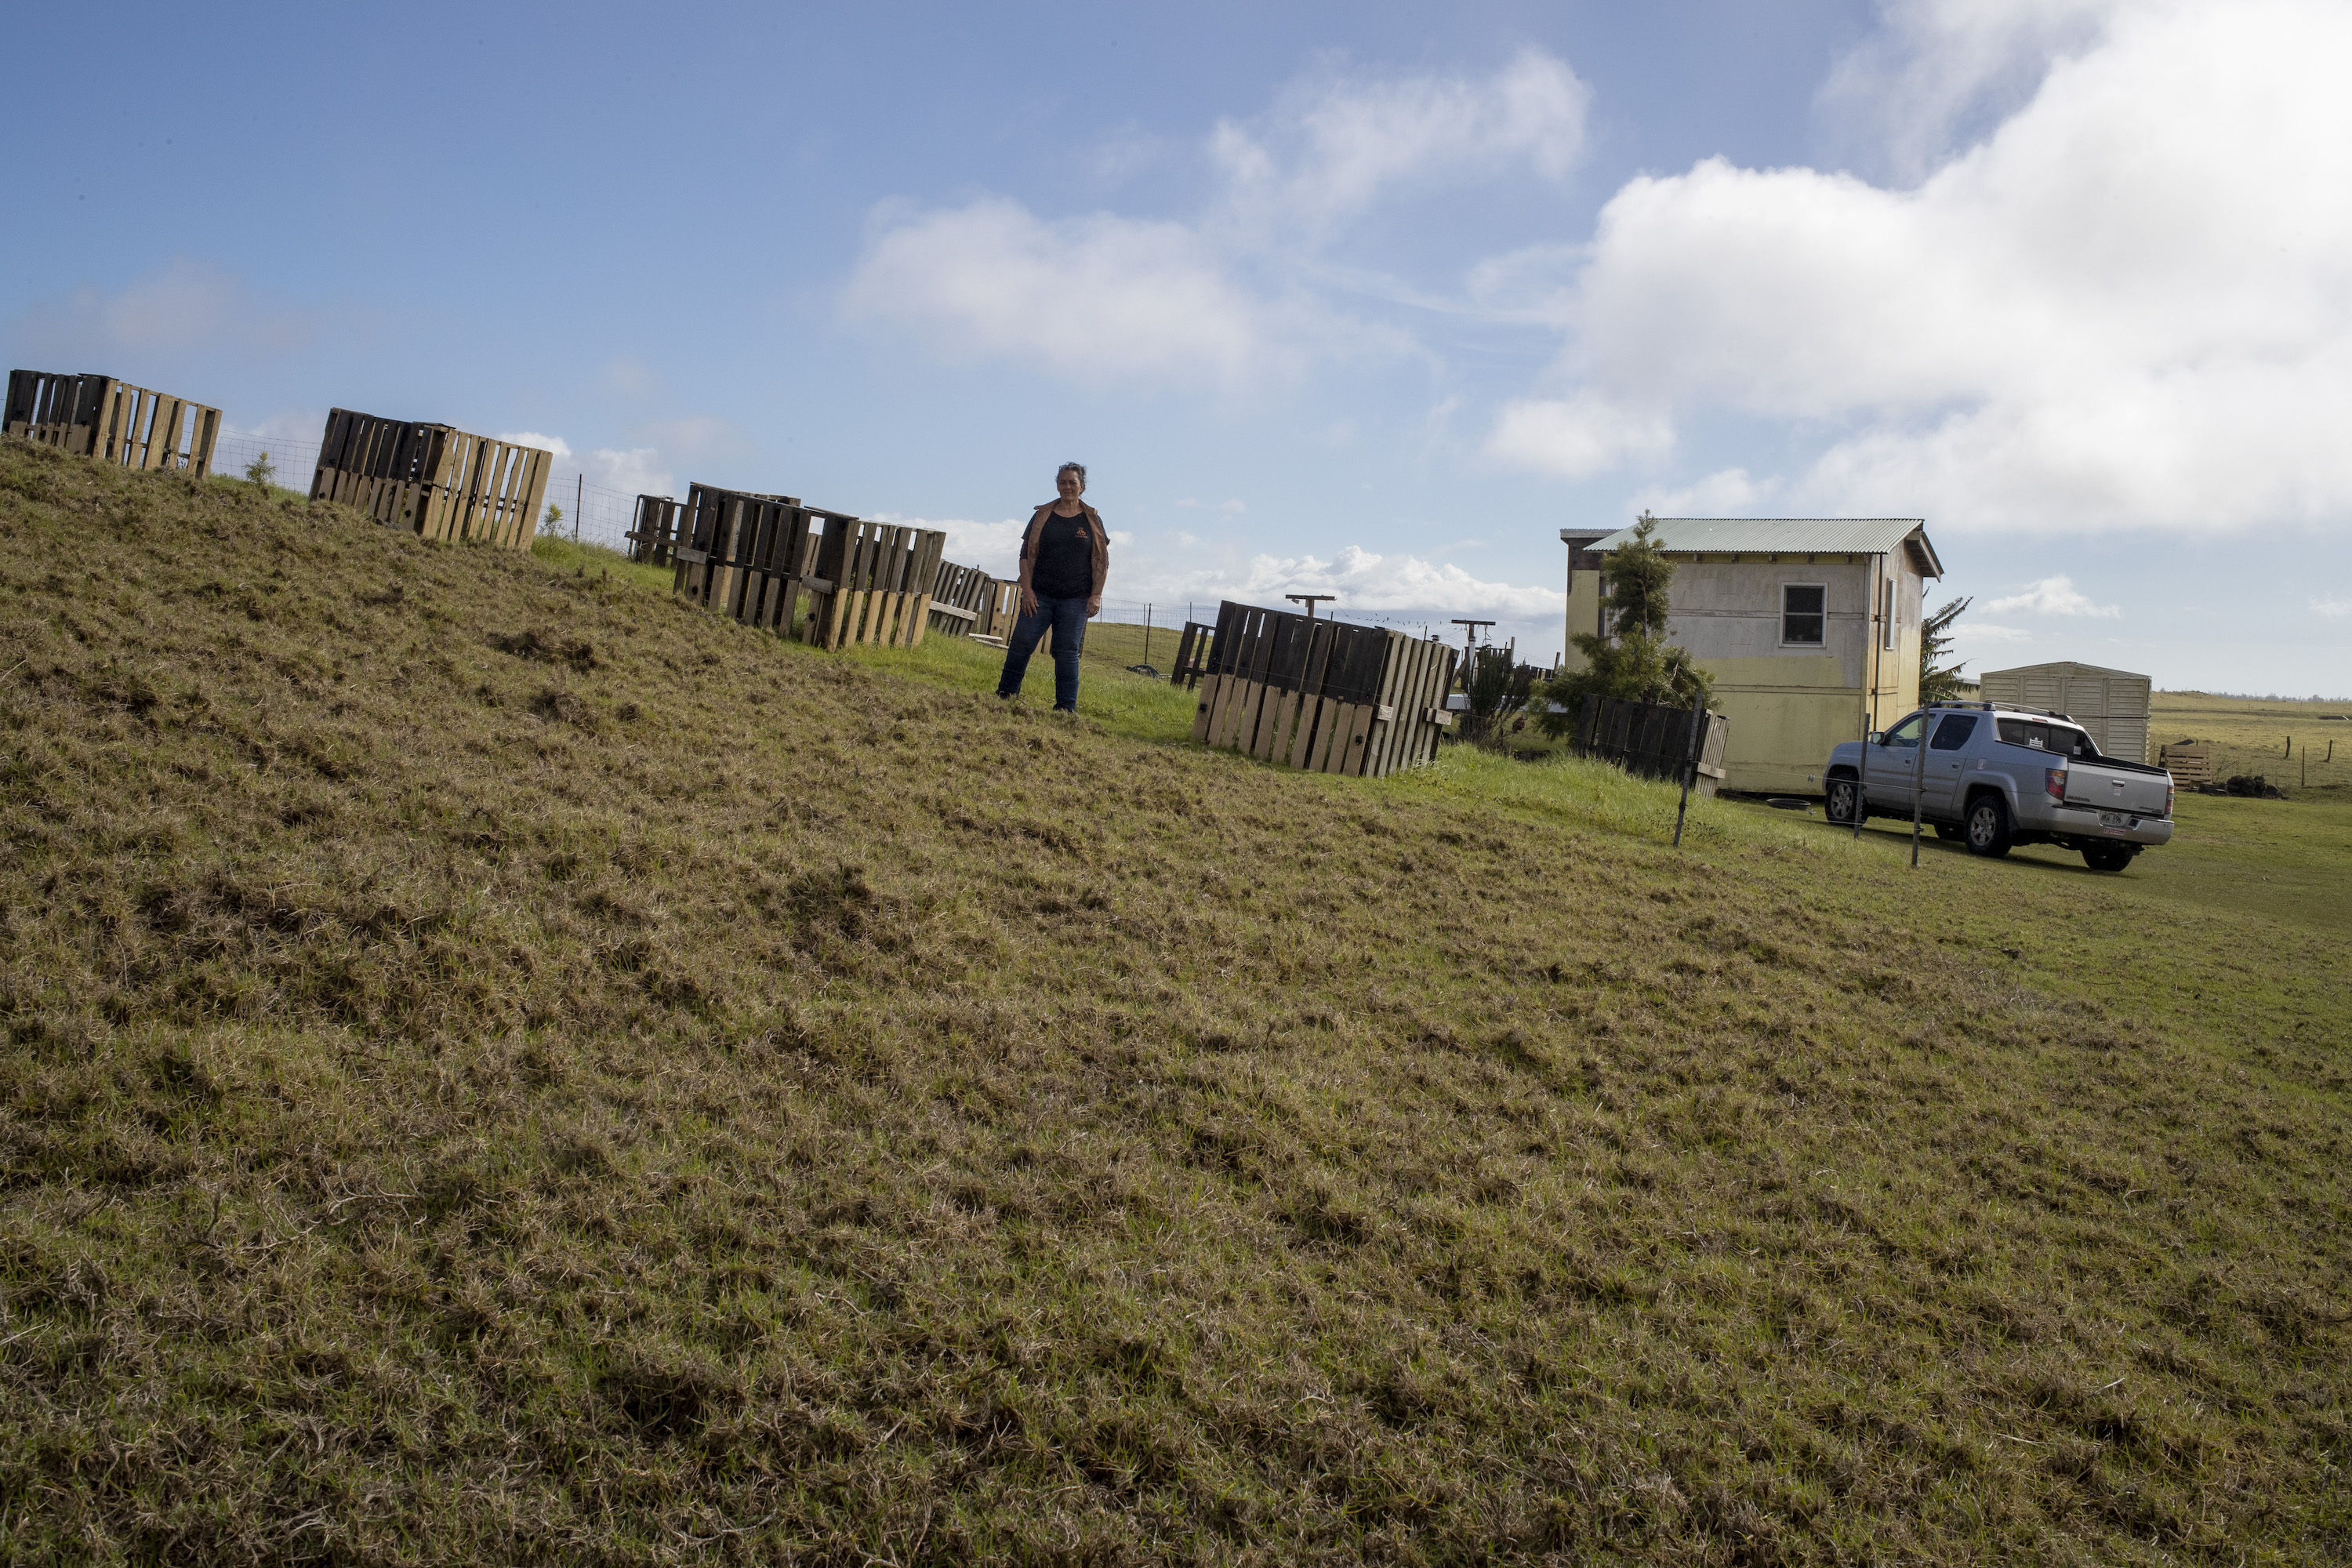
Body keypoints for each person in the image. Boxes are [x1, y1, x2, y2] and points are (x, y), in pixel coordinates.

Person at [995, 462, 1109, 713]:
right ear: (1057, 485)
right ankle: (1005, 695)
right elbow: (1025, 555)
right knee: (1021, 643)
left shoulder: (1092, 520)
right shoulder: (1042, 516)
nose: (1067, 487)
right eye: (1063, 482)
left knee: (1066, 652)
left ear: (1082, 487)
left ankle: (1066, 709)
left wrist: (1096, 595)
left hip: (1076, 599)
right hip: (1040, 596)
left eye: (1073, 483)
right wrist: (1028, 591)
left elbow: (1102, 560)